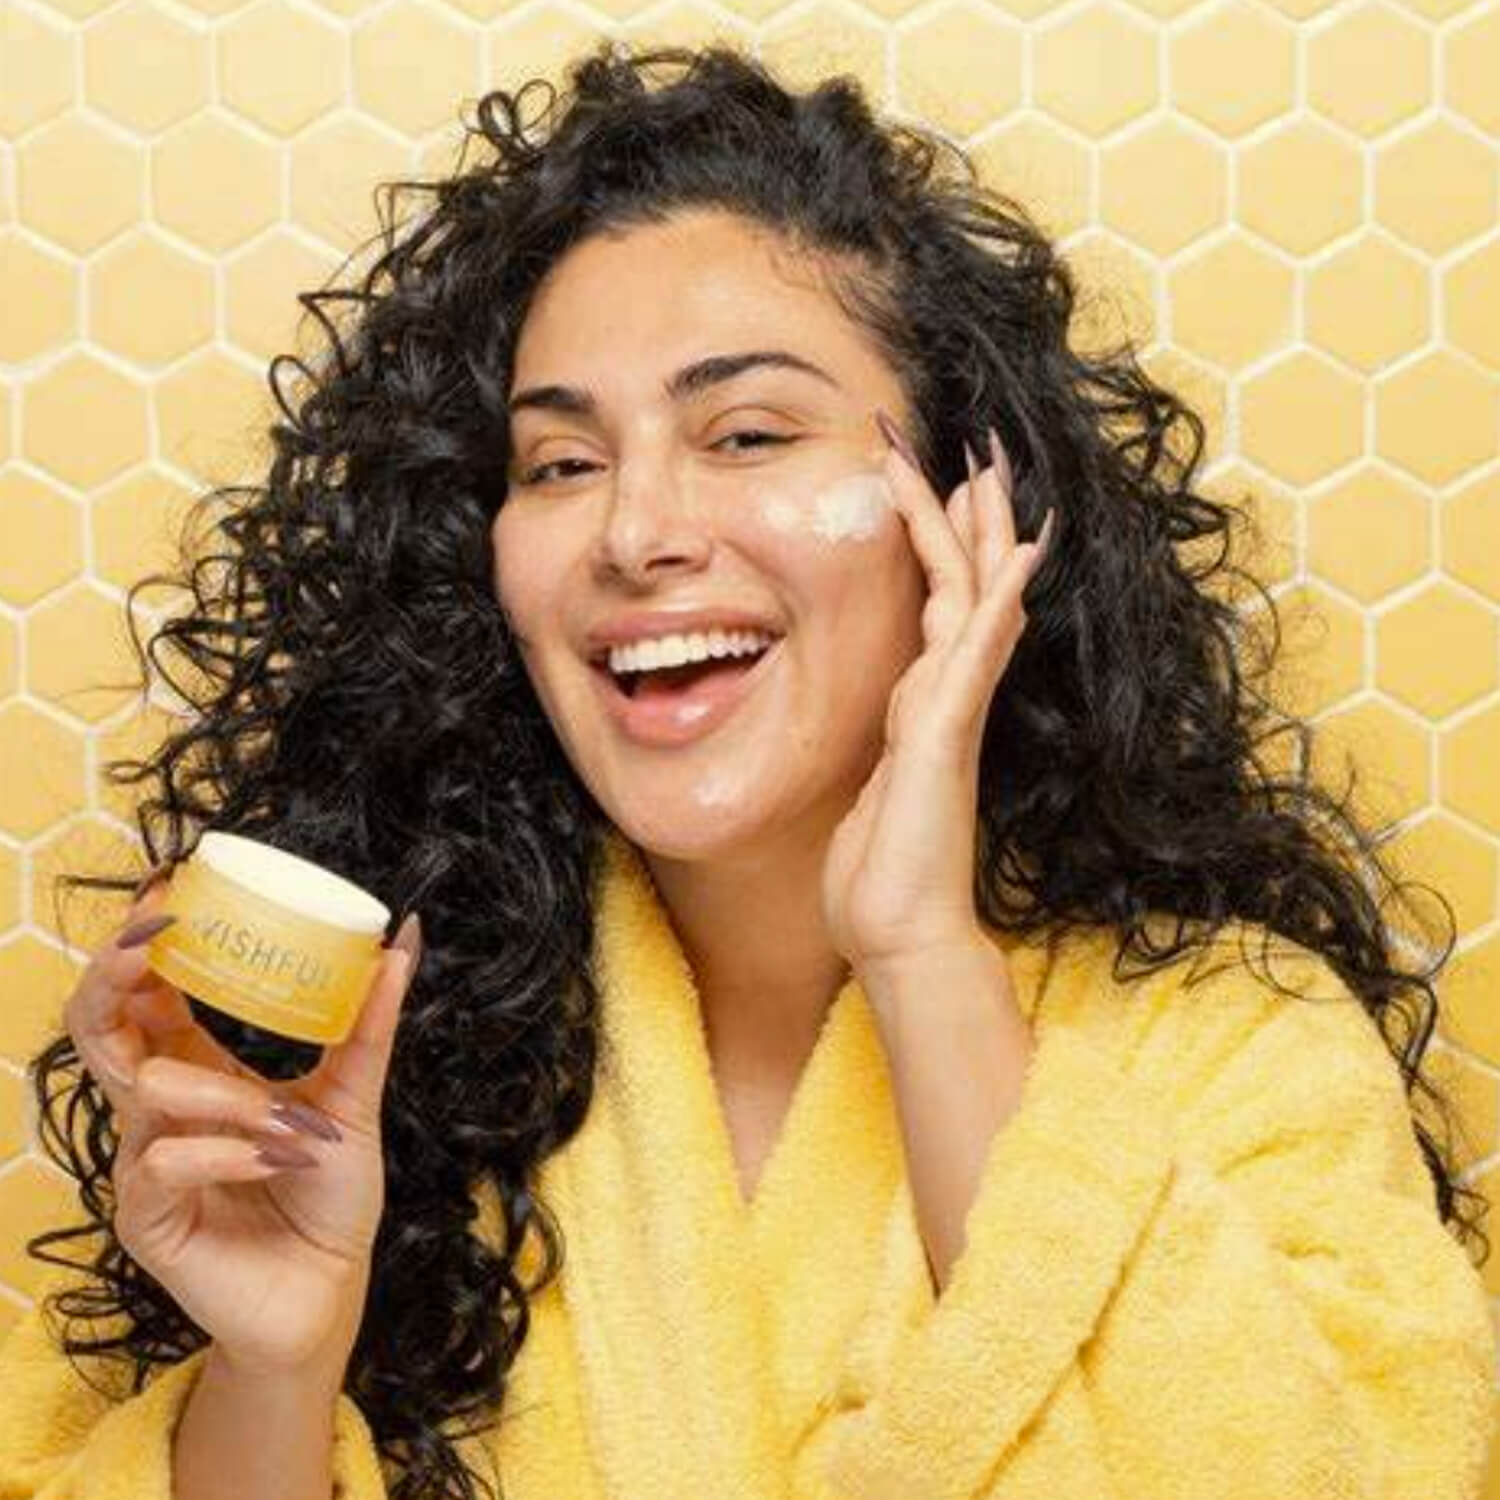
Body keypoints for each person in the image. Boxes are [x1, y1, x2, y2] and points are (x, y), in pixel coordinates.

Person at [0, 38, 1493, 1500]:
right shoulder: (387, 1077)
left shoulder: (1240, 1049)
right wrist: (277, 1363)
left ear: (969, 509)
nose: (638, 529)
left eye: (749, 431)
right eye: (562, 464)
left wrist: (922, 953)